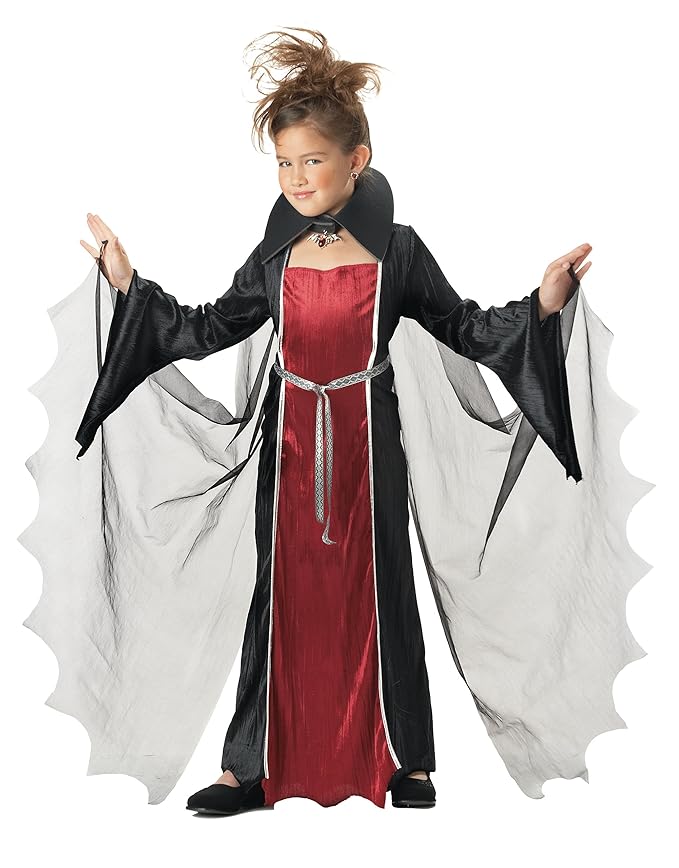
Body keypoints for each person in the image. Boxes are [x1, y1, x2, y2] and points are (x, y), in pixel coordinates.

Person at [19, 27, 653, 816]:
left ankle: (405, 759)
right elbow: (207, 328)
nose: (294, 179)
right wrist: (127, 284)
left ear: (357, 160)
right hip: (288, 443)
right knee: (279, 593)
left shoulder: (399, 252)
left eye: (311, 161)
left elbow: (464, 327)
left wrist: (543, 304)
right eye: (282, 164)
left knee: (381, 587)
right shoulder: (275, 255)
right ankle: (249, 766)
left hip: (366, 442)